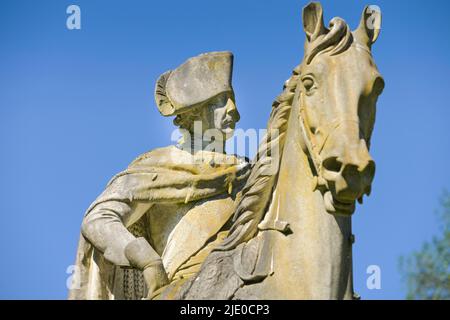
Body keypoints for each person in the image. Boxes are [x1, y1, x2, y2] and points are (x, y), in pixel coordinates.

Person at [68, 51, 250, 300]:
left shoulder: (249, 172)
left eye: (232, 99)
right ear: (194, 112)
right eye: (220, 100)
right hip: (185, 289)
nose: (234, 110)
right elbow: (98, 219)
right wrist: (145, 258)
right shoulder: (157, 166)